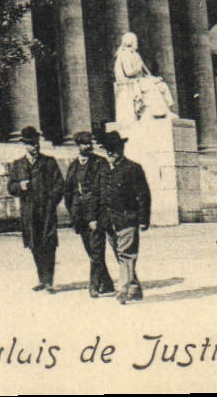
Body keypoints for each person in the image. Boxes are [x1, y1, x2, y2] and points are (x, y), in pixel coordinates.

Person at [5, 126, 63, 293]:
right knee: (35, 244)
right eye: (31, 144)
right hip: (29, 212)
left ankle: (49, 281)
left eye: (36, 143)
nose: (35, 147)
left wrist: (51, 202)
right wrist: (19, 186)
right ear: (24, 145)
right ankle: (42, 279)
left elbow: (59, 184)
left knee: (49, 244)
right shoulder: (18, 165)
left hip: (46, 211)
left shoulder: (49, 162)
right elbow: (10, 187)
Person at [98, 130, 150, 305]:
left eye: (114, 149)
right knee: (121, 256)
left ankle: (123, 289)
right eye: (108, 149)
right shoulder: (104, 170)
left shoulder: (133, 168)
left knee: (127, 255)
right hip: (109, 221)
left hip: (128, 218)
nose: (111, 153)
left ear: (121, 149)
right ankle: (134, 289)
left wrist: (143, 219)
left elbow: (143, 195)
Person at [62, 131, 114, 298]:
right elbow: (68, 192)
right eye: (84, 143)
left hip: (97, 214)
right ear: (78, 146)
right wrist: (74, 212)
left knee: (97, 249)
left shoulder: (101, 163)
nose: (88, 146)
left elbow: (103, 190)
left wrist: (95, 217)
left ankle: (93, 285)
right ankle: (107, 284)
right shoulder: (73, 166)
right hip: (80, 216)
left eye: (90, 143)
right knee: (91, 251)